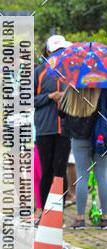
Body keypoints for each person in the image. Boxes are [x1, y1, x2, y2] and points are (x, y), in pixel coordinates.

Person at [33, 35, 71, 224]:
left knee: (60, 172)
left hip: (65, 130)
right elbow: (27, 99)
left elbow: (80, 98)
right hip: (44, 130)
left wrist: (66, 96)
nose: (60, 54)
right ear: (48, 52)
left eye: (62, 50)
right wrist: (49, 96)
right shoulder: (38, 72)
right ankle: (44, 214)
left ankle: (59, 216)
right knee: (47, 172)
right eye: (56, 51)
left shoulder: (71, 73)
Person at [58, 85, 107, 230]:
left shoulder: (73, 87)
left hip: (78, 136)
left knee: (82, 176)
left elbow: (61, 112)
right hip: (100, 137)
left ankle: (80, 219)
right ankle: (105, 218)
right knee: (102, 176)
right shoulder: (102, 88)